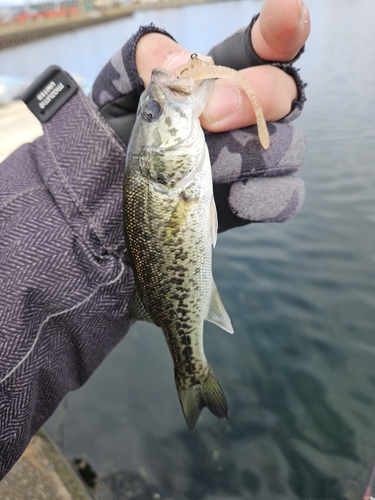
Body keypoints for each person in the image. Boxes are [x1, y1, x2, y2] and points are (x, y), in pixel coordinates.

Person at [0, 0, 310, 480]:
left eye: (150, 116)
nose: (157, 100)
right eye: (151, 117)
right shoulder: (161, 167)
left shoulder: (166, 160)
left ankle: (190, 367)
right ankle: (194, 371)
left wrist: (76, 187)